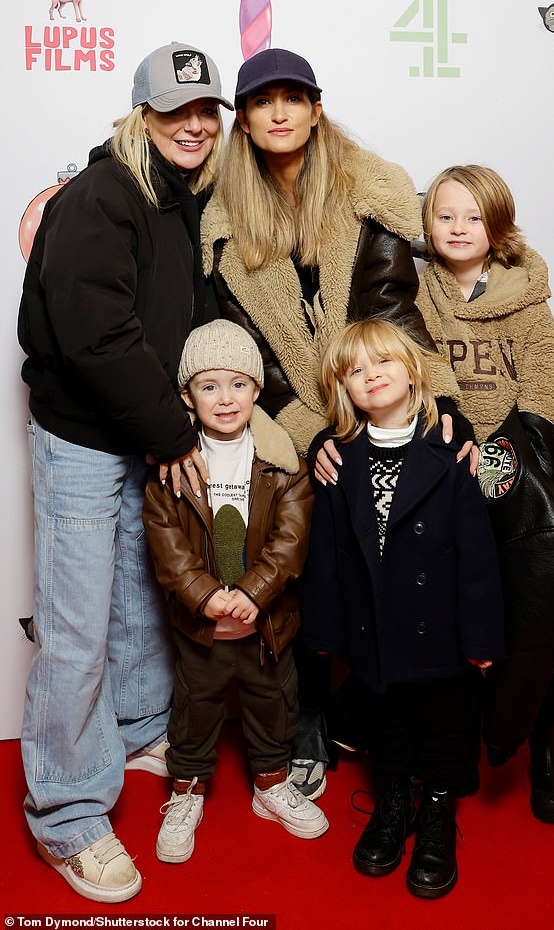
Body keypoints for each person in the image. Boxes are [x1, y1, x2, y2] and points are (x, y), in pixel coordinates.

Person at [200, 47, 469, 799]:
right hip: (288, 409)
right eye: (262, 101)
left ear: (317, 109)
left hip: (377, 385)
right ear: (245, 121)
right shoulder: (223, 225)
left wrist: (435, 400)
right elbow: (255, 358)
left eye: (294, 97)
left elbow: (392, 309)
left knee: (433, 496)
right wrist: (313, 434)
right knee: (303, 522)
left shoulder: (368, 193)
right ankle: (312, 706)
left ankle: (423, 702)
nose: (279, 112)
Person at [17, 42, 232, 902]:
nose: (194, 124)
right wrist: (175, 431)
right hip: (82, 437)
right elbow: (95, 334)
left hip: (139, 431)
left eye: (205, 110)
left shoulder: (178, 197)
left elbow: (179, 315)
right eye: (175, 109)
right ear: (142, 113)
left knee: (139, 597)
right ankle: (67, 813)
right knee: (75, 626)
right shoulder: (104, 194)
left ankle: (139, 730)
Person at [300, 319, 504, 899]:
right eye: (355, 371)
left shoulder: (452, 452)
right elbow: (328, 556)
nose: (371, 376)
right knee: (386, 725)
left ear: (413, 371)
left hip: (440, 631)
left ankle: (437, 810)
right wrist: (323, 631)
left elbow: (477, 558)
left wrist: (481, 640)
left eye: (382, 362)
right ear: (344, 390)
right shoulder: (338, 461)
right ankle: (393, 802)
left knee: (445, 725)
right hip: (375, 632)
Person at [416, 164, 554, 823]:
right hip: (443, 468)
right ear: (426, 224)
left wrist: (504, 466)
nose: (458, 228)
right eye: (445, 215)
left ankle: (543, 736)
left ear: (498, 227)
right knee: (449, 610)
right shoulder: (413, 291)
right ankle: (449, 741)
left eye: (473, 217)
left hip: (511, 470)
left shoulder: (525, 295)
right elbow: (408, 380)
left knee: (534, 607)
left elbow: (547, 395)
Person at [142, 320, 328, 863]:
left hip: (265, 623)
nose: (226, 399)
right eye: (209, 385)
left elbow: (291, 538)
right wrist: (202, 594)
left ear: (256, 389)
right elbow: (167, 541)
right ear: (186, 394)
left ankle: (271, 787)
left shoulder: (282, 460)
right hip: (203, 626)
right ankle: (186, 793)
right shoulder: (171, 466)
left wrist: (255, 592)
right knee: (194, 710)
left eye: (239, 384)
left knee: (273, 705)